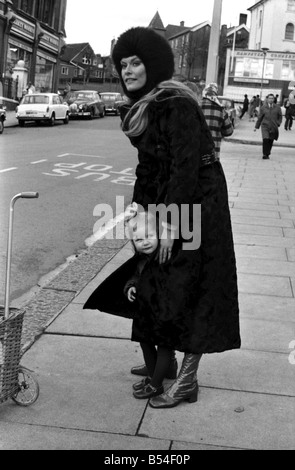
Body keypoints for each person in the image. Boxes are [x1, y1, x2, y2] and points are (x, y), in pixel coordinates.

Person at [84, 27, 240, 408]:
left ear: (152, 65)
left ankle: (186, 380)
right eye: (123, 64)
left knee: (193, 288)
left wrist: (170, 224)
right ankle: (163, 365)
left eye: (136, 63)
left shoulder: (175, 103)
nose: (128, 70)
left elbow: (185, 168)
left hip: (199, 204)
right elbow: (149, 167)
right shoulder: (147, 106)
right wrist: (138, 212)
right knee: (157, 280)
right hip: (172, 200)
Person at [201, 83, 233, 160]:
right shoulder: (221, 110)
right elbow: (229, 131)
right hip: (212, 153)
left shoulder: (194, 107)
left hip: (194, 152)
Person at [254, 93, 282, 159]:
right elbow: (260, 117)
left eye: (272, 98)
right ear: (267, 99)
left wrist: (278, 123)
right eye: (269, 98)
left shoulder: (277, 108)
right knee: (265, 139)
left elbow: (280, 117)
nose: (271, 100)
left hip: (273, 126)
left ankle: (267, 153)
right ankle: (265, 154)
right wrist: (256, 126)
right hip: (265, 126)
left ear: (274, 99)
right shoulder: (263, 108)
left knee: (270, 140)